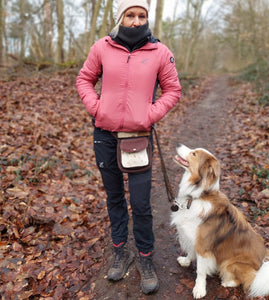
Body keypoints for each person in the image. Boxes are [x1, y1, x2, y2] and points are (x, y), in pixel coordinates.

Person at [76, 0, 181, 295]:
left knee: (141, 202)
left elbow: (173, 90)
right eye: (130, 15)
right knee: (114, 198)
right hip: (105, 135)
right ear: (120, 17)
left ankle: (146, 258)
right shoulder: (102, 48)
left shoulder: (160, 52)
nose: (136, 21)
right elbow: (84, 79)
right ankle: (121, 252)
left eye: (142, 15)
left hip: (137, 137)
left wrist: (148, 115)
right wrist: (96, 108)